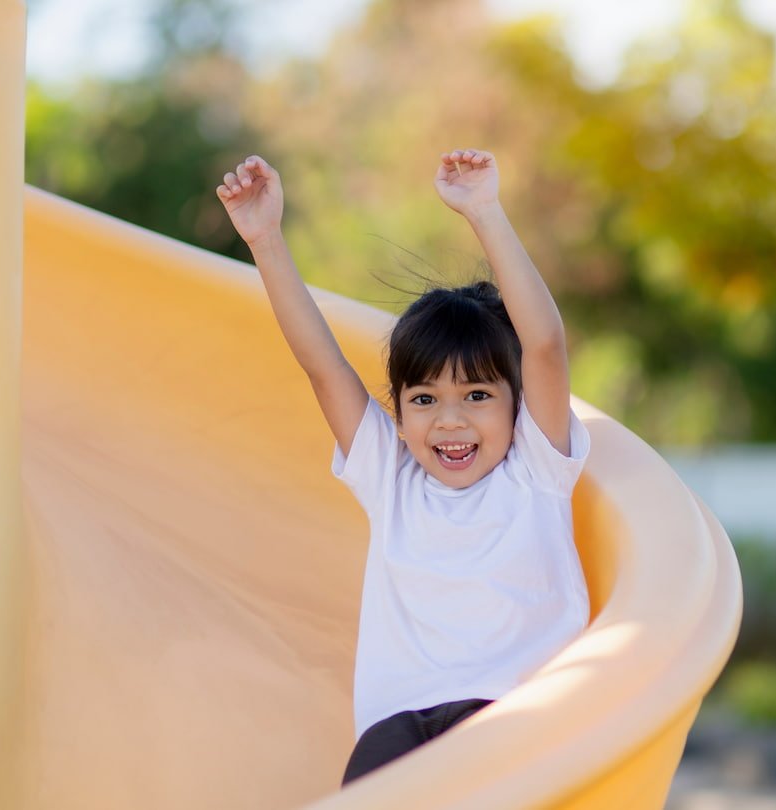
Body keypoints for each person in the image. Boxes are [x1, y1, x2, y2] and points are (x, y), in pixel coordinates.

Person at [215, 149, 591, 787]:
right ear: (401, 411)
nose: (449, 421)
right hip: (399, 724)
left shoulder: (536, 471)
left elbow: (546, 344)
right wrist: (265, 239)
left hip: (510, 713)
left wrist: (485, 212)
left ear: (517, 402)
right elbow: (324, 366)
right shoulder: (390, 479)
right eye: (424, 400)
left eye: (476, 395)